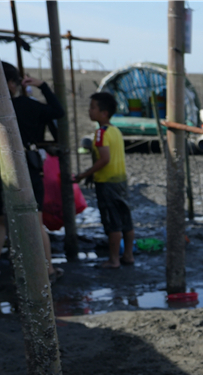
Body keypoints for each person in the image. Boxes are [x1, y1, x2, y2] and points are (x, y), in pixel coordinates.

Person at [0, 62, 64, 283]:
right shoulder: (26, 104)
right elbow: (58, 111)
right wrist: (42, 86)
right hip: (25, 166)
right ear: (11, 83)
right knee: (35, 219)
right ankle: (47, 271)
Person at [73, 92, 134, 269]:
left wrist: (83, 175)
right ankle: (128, 256)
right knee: (126, 219)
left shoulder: (101, 133)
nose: (89, 111)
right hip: (121, 181)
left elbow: (104, 159)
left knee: (113, 221)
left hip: (107, 183)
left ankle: (114, 259)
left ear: (104, 113)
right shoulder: (116, 131)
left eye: (93, 107)